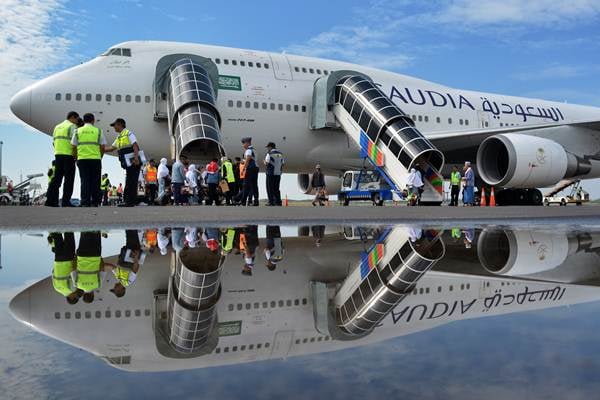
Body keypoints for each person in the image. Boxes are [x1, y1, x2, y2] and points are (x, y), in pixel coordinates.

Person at [103, 118, 141, 207]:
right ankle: (129, 201)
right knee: (129, 181)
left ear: (120, 124)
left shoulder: (128, 133)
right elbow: (112, 148)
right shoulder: (119, 137)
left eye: (115, 125)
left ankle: (129, 202)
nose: (114, 128)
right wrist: (101, 149)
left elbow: (135, 145)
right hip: (128, 162)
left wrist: (136, 158)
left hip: (133, 161)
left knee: (131, 181)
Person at [71, 113, 105, 207]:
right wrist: (100, 156)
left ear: (84, 120)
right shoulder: (98, 131)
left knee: (84, 180)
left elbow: (73, 146)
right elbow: (102, 146)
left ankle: (85, 202)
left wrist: (75, 157)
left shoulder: (77, 131)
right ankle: (95, 202)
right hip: (95, 159)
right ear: (93, 120)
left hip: (82, 159)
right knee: (95, 181)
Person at [46, 111, 79, 207]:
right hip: (68, 155)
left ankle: (51, 201)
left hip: (58, 155)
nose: (77, 121)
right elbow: (74, 143)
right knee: (69, 180)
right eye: (76, 119)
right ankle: (66, 201)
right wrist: (75, 156)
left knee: (56, 179)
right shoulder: (72, 127)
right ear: (72, 117)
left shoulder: (57, 127)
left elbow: (53, 142)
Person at [74, 231, 111, 303]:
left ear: (93, 295)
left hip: (95, 255)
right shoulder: (76, 284)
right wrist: (76, 256)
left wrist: (99, 257)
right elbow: (73, 268)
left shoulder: (98, 284)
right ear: (84, 294)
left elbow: (102, 268)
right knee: (84, 232)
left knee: (96, 231)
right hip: (82, 255)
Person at [48, 232, 82, 304]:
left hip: (68, 259)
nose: (76, 294)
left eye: (76, 296)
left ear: (72, 298)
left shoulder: (72, 289)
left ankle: (67, 221)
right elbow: (53, 272)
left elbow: (73, 270)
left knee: (69, 234)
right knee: (57, 236)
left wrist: (76, 258)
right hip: (58, 260)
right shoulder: (56, 288)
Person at [111, 230, 142, 298]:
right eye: (115, 289)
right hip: (133, 254)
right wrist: (136, 257)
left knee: (129, 235)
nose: (114, 287)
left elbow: (112, 267)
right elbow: (135, 269)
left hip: (128, 253)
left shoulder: (118, 278)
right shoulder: (128, 282)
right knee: (132, 235)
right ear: (120, 290)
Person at [239, 137, 259, 206]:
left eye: (243, 143)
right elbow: (252, 159)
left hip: (250, 168)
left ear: (247, 143)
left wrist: (243, 169)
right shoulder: (254, 150)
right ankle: (256, 201)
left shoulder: (248, 150)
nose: (243, 145)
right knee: (254, 185)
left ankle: (243, 201)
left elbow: (248, 159)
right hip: (256, 168)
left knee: (246, 185)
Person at [264, 142, 285, 206]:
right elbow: (283, 163)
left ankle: (271, 202)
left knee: (269, 188)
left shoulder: (269, 154)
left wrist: (264, 162)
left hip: (270, 173)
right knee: (276, 188)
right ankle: (278, 202)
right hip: (278, 174)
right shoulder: (281, 154)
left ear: (270, 147)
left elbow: (267, 163)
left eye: (268, 147)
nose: (267, 148)